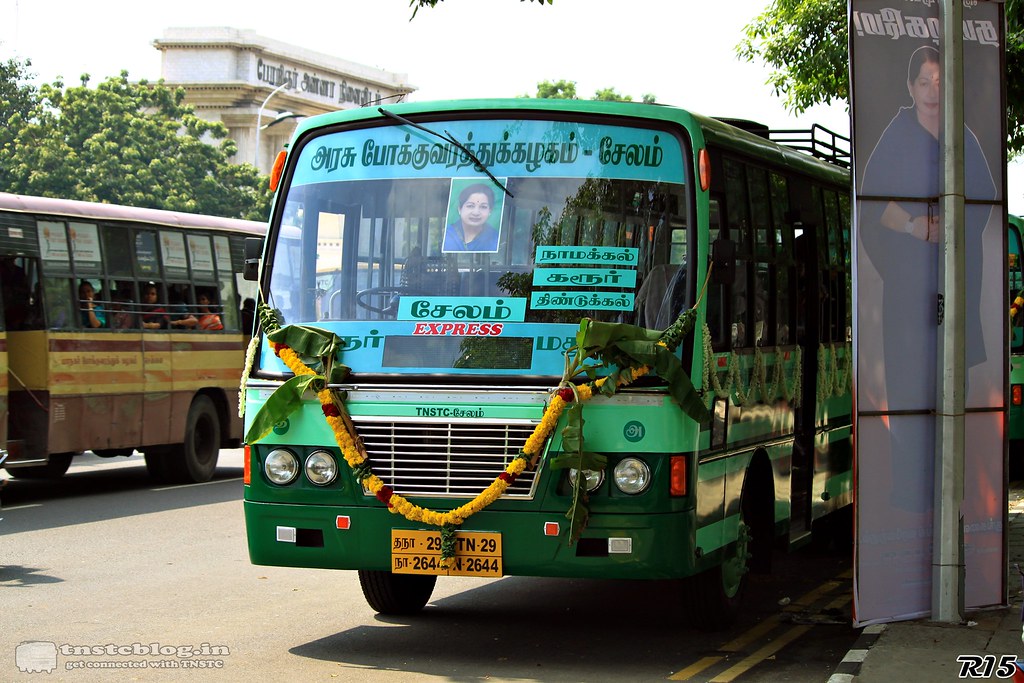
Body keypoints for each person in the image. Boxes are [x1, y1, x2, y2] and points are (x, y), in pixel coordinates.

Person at [859, 45, 997, 512]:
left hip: (953, 294)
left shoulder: (962, 136)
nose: (933, 91)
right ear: (910, 87)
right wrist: (915, 226)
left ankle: (952, 493)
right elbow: (873, 207)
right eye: (924, 82)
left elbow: (984, 199)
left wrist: (952, 228)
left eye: (940, 82)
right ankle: (909, 496)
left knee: (952, 394)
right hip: (907, 300)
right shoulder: (897, 135)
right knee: (910, 396)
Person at [442, 183, 500, 252]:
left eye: (483, 207)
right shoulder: (446, 234)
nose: (476, 213)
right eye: (470, 206)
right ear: (460, 209)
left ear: (490, 211)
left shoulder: (497, 240)